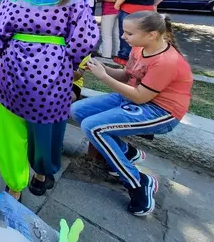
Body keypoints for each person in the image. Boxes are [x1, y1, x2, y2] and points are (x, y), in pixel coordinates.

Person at [0, 0, 98, 199]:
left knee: (11, 130)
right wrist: (66, 60)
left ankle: (15, 185)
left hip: (14, 69)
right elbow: (85, 38)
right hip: (54, 71)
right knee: (47, 127)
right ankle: (41, 174)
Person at [72, 11, 192, 216]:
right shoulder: (139, 48)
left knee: (93, 127)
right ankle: (126, 152)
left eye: (129, 33)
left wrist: (103, 77)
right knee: (77, 110)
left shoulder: (166, 61)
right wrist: (102, 69)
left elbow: (139, 97)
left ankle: (138, 182)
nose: (123, 37)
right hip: (135, 96)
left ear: (152, 34)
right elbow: (127, 76)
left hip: (160, 111)